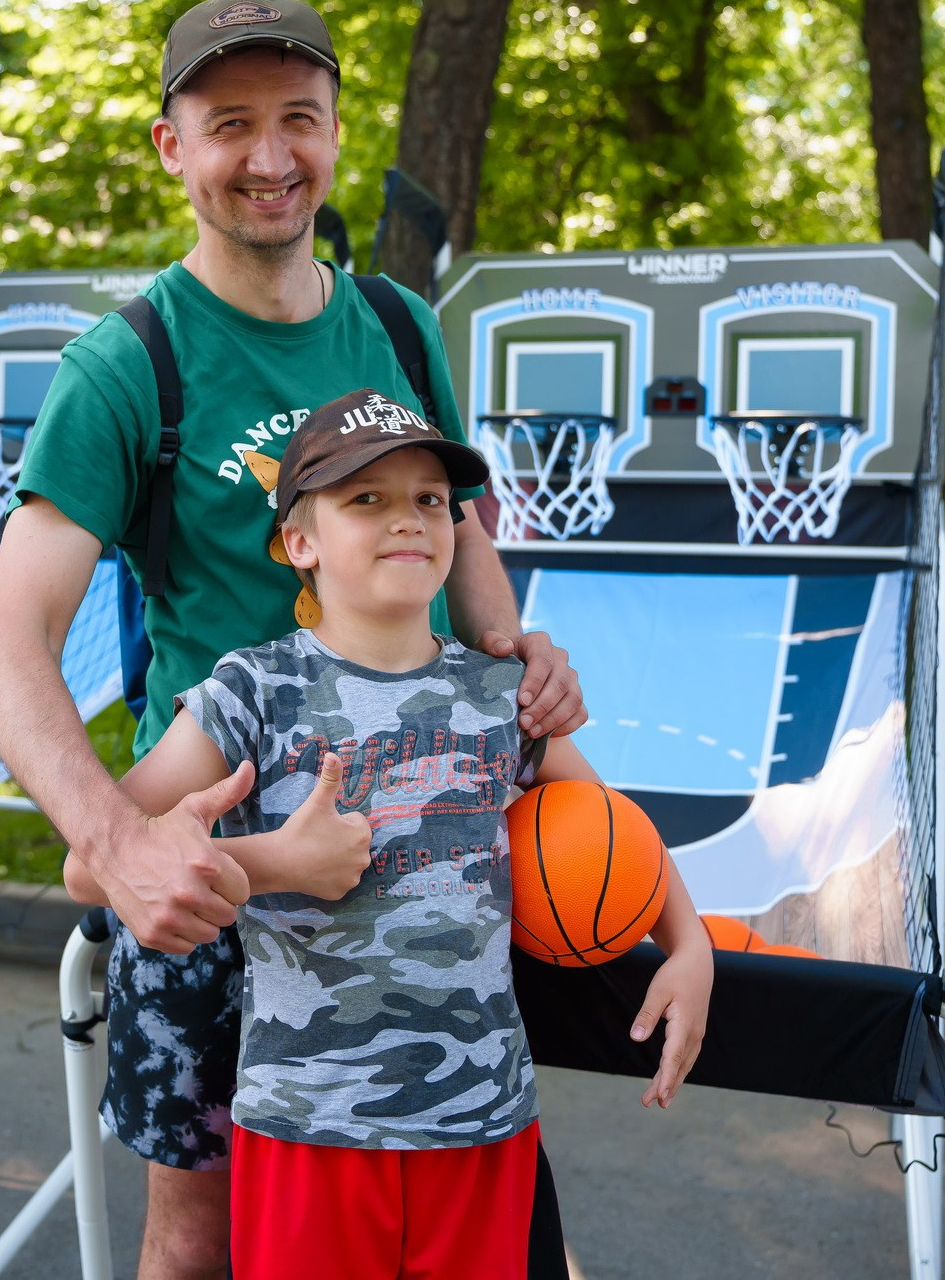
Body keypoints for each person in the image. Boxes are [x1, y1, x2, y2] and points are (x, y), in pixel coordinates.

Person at [0, 0, 588, 1279]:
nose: (268, 156)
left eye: (296, 119)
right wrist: (120, 842)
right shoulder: (125, 366)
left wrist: (517, 655)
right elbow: (6, 638)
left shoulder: (403, 328)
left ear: (334, 132)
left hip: (408, 865)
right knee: (197, 1235)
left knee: (486, 1212)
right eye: (228, 123)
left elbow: (458, 528)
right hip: (221, 870)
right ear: (170, 146)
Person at [60, 392, 714, 1278]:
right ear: (301, 541)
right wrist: (270, 862)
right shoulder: (251, 694)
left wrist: (689, 943)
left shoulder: (502, 697)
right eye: (366, 498)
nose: (407, 518)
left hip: (483, 1123)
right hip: (308, 1128)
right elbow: (92, 867)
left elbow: (612, 830)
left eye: (430, 499)